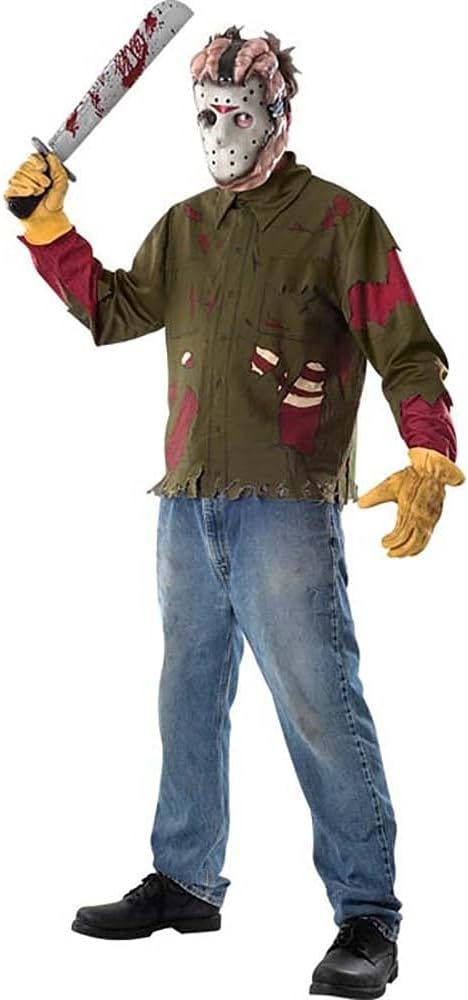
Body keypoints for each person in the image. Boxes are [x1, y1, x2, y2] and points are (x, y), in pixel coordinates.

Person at [5, 23, 464, 999]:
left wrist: (430, 447)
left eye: (239, 112)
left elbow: (408, 350)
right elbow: (115, 311)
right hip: (186, 503)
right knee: (187, 693)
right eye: (207, 113)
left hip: (285, 508)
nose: (221, 130)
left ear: (278, 115)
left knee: (318, 704)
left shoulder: (342, 222)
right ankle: (184, 879)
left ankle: (368, 916)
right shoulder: (185, 226)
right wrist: (49, 232)